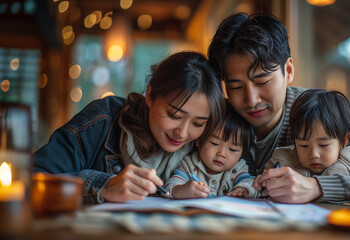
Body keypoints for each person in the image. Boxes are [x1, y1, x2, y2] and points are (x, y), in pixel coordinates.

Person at [208, 13, 350, 203]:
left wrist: (316, 187)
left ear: (288, 70)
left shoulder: (323, 113)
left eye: (262, 81)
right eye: (235, 87)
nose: (251, 100)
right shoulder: (218, 121)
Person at [34, 51, 225, 204]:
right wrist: (104, 185)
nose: (182, 133)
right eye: (174, 115)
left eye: (198, 123)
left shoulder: (207, 144)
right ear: (150, 95)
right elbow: (32, 179)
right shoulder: (103, 119)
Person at [163, 101, 257, 199]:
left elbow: (251, 183)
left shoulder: (237, 169)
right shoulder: (189, 165)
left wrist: (244, 189)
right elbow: (171, 185)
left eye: (233, 149)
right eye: (215, 143)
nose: (222, 154)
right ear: (199, 140)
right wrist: (181, 190)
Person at [265, 89, 350, 178]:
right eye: (304, 145)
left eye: (323, 145)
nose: (314, 154)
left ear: (344, 140)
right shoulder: (282, 161)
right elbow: (260, 184)